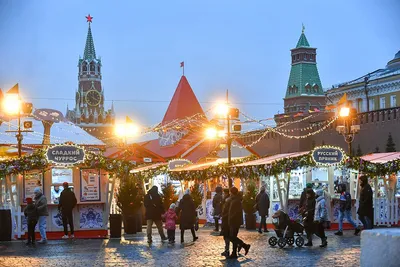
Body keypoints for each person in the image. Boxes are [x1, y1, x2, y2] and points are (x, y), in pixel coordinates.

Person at [228, 187, 250, 259]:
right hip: (234, 221)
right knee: (233, 237)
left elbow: (235, 212)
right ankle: (234, 253)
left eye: (230, 192)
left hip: (234, 221)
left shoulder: (236, 201)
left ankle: (244, 245)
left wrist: (231, 219)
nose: (229, 193)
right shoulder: (235, 200)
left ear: (232, 192)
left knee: (232, 237)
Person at [220, 188, 231, 257]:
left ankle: (227, 250)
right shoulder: (226, 200)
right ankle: (227, 250)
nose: (223, 194)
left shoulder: (227, 201)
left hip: (227, 221)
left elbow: (227, 211)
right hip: (226, 220)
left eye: (224, 193)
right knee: (228, 236)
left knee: (228, 236)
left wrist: (223, 216)